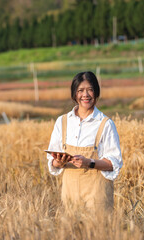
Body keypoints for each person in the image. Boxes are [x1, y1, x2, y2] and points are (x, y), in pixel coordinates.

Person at [47, 71, 123, 212]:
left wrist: (89, 163)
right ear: (74, 94)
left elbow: (114, 163)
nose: (85, 95)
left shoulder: (105, 124)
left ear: (96, 93)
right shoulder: (62, 122)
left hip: (97, 197)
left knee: (98, 233)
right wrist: (59, 161)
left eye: (90, 90)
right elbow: (53, 163)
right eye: (80, 90)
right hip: (69, 196)